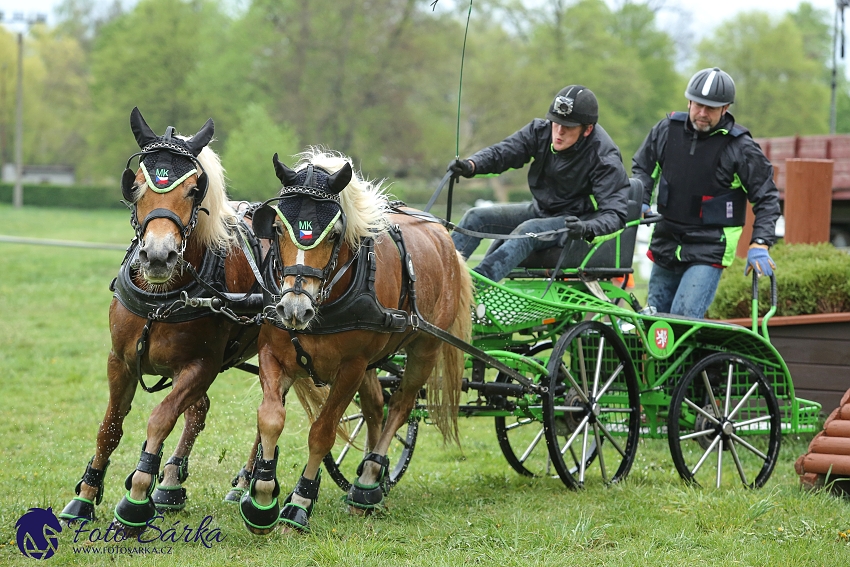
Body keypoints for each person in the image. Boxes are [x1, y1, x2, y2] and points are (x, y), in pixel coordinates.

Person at [632, 67, 780, 318]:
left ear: (725, 109)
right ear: (688, 101)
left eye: (711, 108)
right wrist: (642, 200)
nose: (702, 113)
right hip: (666, 242)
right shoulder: (666, 130)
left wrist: (760, 242)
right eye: (698, 105)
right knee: (654, 322)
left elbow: (766, 197)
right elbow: (642, 169)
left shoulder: (741, 147)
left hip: (709, 248)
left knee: (682, 319)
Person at [447, 85, 631, 282]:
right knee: (476, 217)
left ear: (587, 129)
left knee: (528, 230)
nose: (559, 131)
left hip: (573, 223)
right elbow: (504, 152)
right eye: (556, 122)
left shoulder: (604, 157)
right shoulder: (540, 131)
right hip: (540, 211)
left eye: (568, 126)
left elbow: (615, 216)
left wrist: (587, 227)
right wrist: (472, 164)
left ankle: (473, 291)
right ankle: (442, 279)